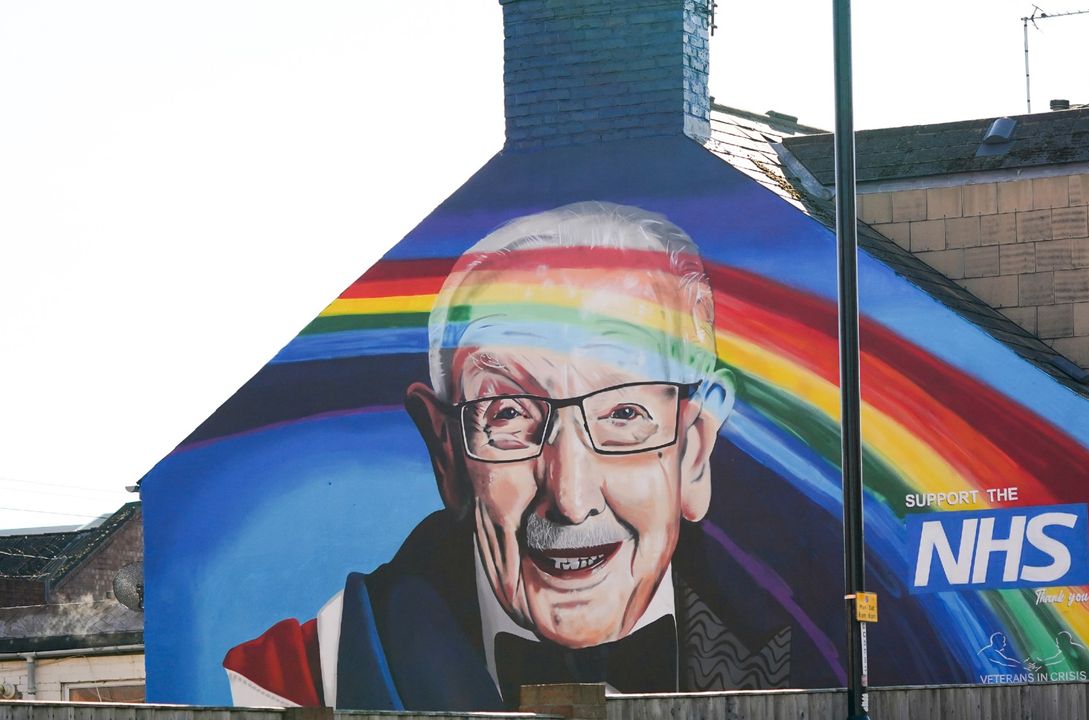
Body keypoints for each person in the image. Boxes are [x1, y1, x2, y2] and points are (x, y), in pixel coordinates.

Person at [222, 202, 813, 711]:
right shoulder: (301, 675)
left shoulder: (825, 663)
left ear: (696, 446)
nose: (572, 498)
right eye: (508, 415)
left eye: (624, 414)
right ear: (445, 451)